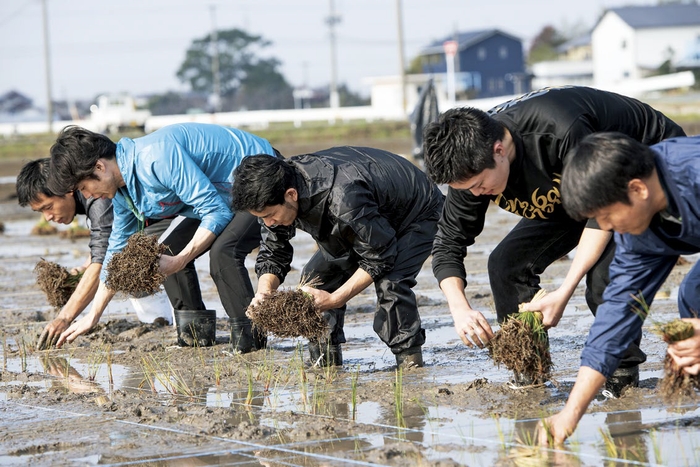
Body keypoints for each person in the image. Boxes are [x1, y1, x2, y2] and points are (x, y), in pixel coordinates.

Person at [422, 86, 685, 391]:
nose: (476, 194)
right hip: (570, 192)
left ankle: (621, 375)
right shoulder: (468, 168)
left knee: (602, 280)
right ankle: (527, 370)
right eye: (468, 189)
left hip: (640, 172)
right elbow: (447, 245)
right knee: (506, 264)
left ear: (499, 151)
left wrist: (565, 290)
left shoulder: (559, 129)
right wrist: (460, 308)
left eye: (480, 185)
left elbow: (601, 209)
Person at [46, 123, 278, 353]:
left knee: (223, 252)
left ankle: (250, 342)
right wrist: (92, 315)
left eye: (84, 187)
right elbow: (114, 254)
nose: (87, 196)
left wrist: (182, 260)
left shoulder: (156, 158)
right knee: (166, 251)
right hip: (222, 198)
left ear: (99, 167)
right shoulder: (122, 193)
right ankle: (194, 337)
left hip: (262, 181)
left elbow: (216, 212)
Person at [538, 132, 700, 444]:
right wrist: (568, 416)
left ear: (637, 189)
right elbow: (614, 318)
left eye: (606, 215)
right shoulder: (637, 231)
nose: (607, 227)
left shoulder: (693, 173)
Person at [230, 147, 444, 368]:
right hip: (365, 219)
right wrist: (264, 291)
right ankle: (326, 362)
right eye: (261, 218)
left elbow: (379, 255)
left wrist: (336, 299)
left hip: (417, 213)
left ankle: (409, 363)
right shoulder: (276, 188)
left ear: (291, 195)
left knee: (391, 283)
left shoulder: (344, 198)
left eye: (270, 216)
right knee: (316, 277)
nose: (268, 223)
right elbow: (273, 248)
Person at [17, 158, 113, 349]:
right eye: (41, 212)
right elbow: (105, 242)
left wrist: (65, 317)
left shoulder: (97, 196)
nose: (48, 218)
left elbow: (103, 258)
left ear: (66, 189)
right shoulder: (85, 198)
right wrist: (86, 267)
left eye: (48, 207)